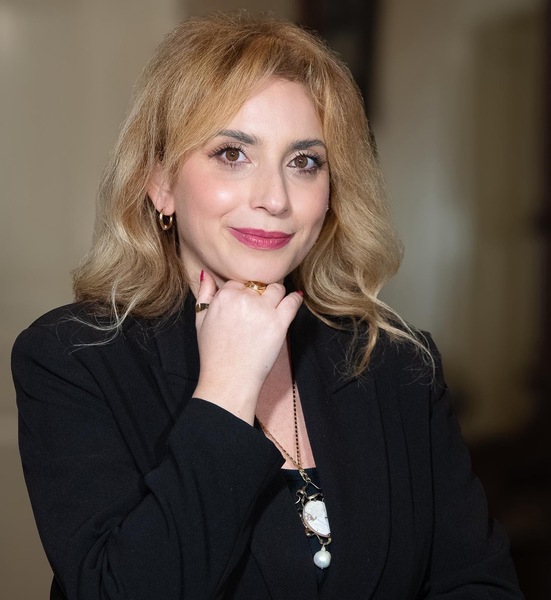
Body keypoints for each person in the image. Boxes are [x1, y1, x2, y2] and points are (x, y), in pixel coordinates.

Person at [12, 12, 522, 600]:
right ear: (161, 183)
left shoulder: (398, 362)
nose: (275, 198)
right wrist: (225, 392)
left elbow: (477, 583)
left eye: (304, 162)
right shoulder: (73, 359)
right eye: (233, 153)